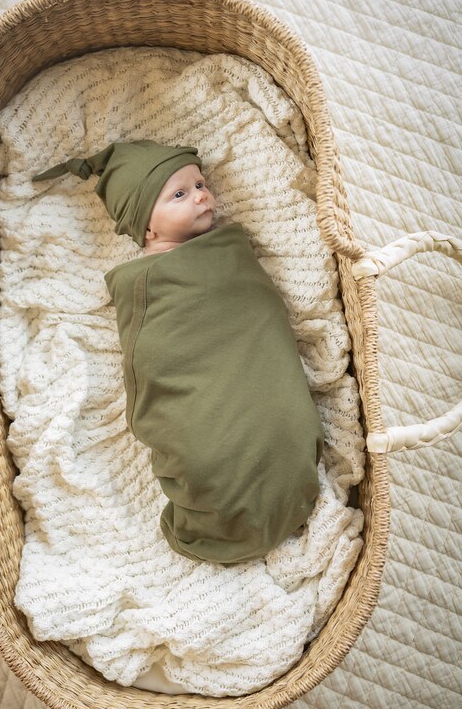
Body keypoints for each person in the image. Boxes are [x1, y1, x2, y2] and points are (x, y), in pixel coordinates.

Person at [33, 140, 324, 565]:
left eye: (200, 183)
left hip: (254, 380)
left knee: (282, 418)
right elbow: (152, 357)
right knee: (205, 454)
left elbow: (258, 316)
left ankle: (282, 472)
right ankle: (222, 491)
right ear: (147, 227)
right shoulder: (144, 284)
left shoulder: (228, 252)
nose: (203, 195)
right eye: (180, 194)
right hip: (196, 401)